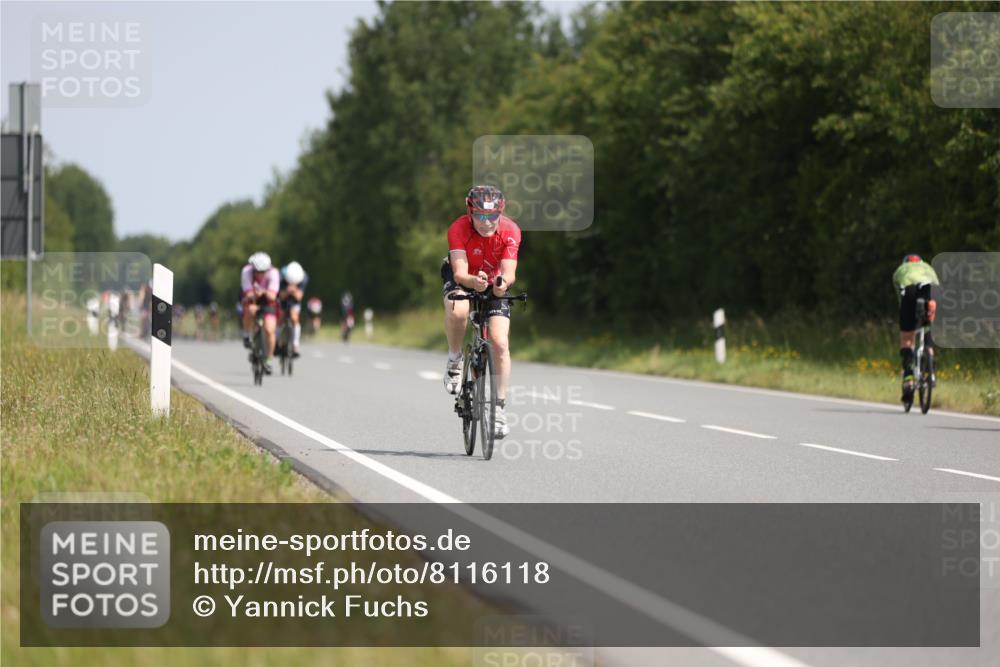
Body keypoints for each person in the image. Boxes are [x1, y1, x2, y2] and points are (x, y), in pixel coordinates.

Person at [441, 185, 521, 438]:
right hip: (463, 275)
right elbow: (459, 273)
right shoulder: (458, 228)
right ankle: (455, 359)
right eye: (480, 216)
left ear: (501, 212)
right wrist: (473, 281)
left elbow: (509, 272)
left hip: (494, 280)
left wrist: (501, 284)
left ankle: (498, 409)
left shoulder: (511, 231)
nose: (487, 223)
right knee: (458, 309)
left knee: (499, 342)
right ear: (469, 212)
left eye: (493, 216)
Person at [893, 254, 940, 399]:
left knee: (907, 339)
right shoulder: (928, 268)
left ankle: (908, 378)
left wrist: (906, 315)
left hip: (909, 292)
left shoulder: (900, 271)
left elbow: (900, 297)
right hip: (929, 290)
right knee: (928, 328)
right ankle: (931, 370)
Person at [240, 252, 280, 374]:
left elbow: (273, 296)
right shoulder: (246, 272)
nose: (260, 274)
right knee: (250, 310)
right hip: (252, 297)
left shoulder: (274, 273)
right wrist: (254, 297)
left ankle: (268, 360)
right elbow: (248, 293)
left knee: (269, 330)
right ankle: (247, 334)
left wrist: (263, 292)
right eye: (257, 271)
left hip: (268, 300)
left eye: (263, 272)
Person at [278, 261, 309, 357]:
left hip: (295, 301)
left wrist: (294, 290)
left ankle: (295, 344)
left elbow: (299, 297)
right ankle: (277, 340)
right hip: (282, 299)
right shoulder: (281, 277)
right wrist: (287, 291)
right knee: (280, 318)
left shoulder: (304, 277)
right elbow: (280, 296)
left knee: (294, 318)